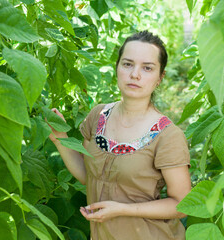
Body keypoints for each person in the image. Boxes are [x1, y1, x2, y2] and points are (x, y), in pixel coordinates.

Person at [48, 30, 191, 240]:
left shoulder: (167, 136)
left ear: (160, 78)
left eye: (147, 68)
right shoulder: (98, 116)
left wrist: (122, 209)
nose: (135, 74)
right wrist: (59, 138)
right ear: (117, 67)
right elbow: (91, 176)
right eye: (127, 64)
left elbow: (182, 204)